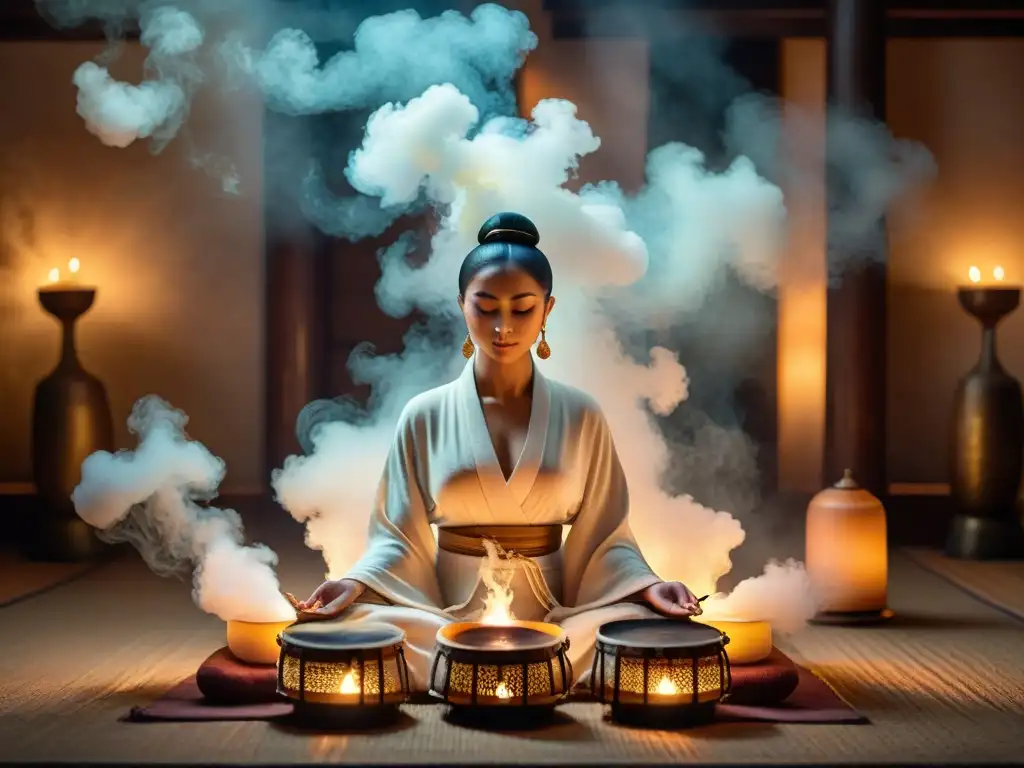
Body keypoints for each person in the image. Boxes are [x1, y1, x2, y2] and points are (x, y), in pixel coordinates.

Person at [298, 211, 700, 691]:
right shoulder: (424, 414)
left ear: (547, 310)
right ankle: (520, 671)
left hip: (552, 616)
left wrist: (648, 586)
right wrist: (356, 582)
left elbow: (606, 534)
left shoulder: (581, 413)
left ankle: (488, 671)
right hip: (446, 618)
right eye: (485, 307)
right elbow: (396, 536)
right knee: (353, 625)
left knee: (639, 624)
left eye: (522, 308)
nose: (502, 326)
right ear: (461, 305)